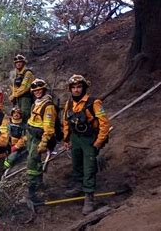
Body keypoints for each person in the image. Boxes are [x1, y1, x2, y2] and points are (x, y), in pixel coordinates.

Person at [62, 75, 110, 215]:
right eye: (74, 88)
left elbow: (104, 123)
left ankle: (89, 197)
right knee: (76, 164)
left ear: (84, 88)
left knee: (89, 168)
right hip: (76, 138)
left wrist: (99, 142)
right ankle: (78, 186)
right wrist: (66, 140)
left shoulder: (93, 102)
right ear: (70, 89)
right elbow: (66, 122)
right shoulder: (69, 104)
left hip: (89, 139)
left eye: (79, 87)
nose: (76, 90)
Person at [25, 79, 57, 203]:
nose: (37, 92)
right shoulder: (36, 103)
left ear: (44, 90)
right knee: (35, 160)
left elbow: (49, 128)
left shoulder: (48, 106)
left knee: (31, 162)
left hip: (39, 137)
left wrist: (44, 142)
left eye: (40, 90)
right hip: (31, 135)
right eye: (35, 90)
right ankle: (39, 182)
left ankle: (31, 192)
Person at [9, 54, 35, 122]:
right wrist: (13, 95)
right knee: (17, 114)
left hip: (26, 98)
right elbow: (15, 87)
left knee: (25, 115)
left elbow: (24, 87)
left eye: (20, 62)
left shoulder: (28, 73)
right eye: (16, 63)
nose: (18, 64)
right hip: (18, 98)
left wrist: (14, 95)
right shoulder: (17, 74)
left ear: (23, 63)